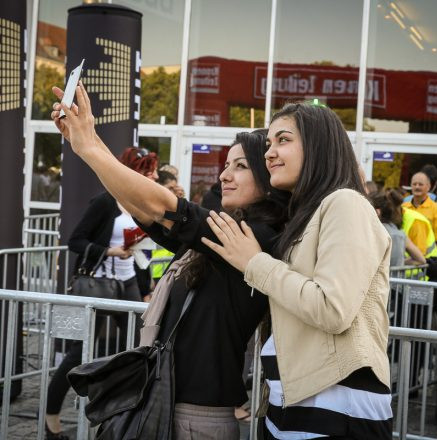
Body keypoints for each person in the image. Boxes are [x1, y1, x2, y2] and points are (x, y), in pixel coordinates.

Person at [50, 83, 289, 439]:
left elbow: (163, 205)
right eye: (226, 164)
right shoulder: (232, 232)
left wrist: (88, 146)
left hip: (196, 417)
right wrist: (86, 142)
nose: (224, 175)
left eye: (240, 166)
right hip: (171, 402)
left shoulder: (256, 238)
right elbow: (143, 207)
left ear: (269, 177)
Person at [202, 102, 393, 439]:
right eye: (269, 145)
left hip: (335, 404)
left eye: (283, 140)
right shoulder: (310, 213)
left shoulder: (345, 203)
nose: (270, 153)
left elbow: (333, 309)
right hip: (295, 404)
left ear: (318, 145)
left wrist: (254, 263)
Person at [44, 146, 158, 440]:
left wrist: (146, 288)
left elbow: (141, 250)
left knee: (136, 351)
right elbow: (75, 241)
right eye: (148, 170)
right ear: (132, 172)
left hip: (128, 283)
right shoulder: (105, 202)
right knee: (77, 354)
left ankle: (123, 419)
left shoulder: (144, 202)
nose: (154, 175)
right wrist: (109, 251)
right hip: (98, 286)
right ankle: (51, 421)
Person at [370, 190, 425, 266]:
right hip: (396, 277)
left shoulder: (370, 232)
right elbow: (421, 260)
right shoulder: (400, 234)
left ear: (377, 212)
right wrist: (400, 263)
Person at [402, 171, 437, 251]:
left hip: (428, 259)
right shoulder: (403, 208)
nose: (417, 187)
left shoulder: (436, 209)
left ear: (428, 187)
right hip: (406, 257)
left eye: (420, 184)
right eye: (414, 184)